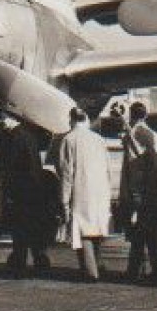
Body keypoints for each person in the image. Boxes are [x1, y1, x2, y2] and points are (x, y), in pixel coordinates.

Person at [0, 111, 55, 278]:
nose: (1, 121)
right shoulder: (28, 136)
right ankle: (39, 262)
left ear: (12, 118)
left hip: (20, 193)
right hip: (33, 193)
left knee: (20, 232)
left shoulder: (14, 138)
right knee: (33, 231)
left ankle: (19, 265)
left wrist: (10, 193)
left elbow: (12, 168)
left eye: (3, 117)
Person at [57, 107, 111, 282]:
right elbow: (107, 168)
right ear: (86, 119)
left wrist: (64, 200)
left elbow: (66, 173)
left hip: (80, 191)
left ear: (71, 120)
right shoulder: (99, 139)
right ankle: (99, 265)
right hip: (100, 191)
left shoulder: (68, 139)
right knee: (96, 230)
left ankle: (90, 272)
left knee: (82, 231)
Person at [119, 101, 157, 283]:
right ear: (146, 115)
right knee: (153, 233)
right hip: (153, 189)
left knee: (138, 233)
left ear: (132, 115)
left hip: (139, 190)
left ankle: (136, 268)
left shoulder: (134, 134)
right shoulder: (152, 135)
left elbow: (135, 167)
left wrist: (133, 193)